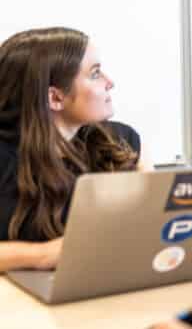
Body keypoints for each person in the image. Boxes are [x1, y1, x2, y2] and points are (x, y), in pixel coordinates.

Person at [0, 27, 148, 272]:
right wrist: (42, 255)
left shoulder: (122, 141)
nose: (110, 83)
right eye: (95, 74)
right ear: (55, 98)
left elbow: (156, 225)